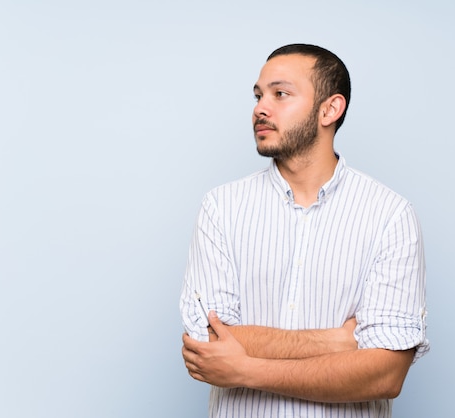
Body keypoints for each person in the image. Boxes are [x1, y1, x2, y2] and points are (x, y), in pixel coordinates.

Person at [180, 43, 429, 418]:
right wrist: (341, 341)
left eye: (281, 94)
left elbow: (386, 374)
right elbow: (209, 341)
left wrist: (246, 368)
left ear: (330, 109)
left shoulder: (389, 215)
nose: (261, 108)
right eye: (259, 95)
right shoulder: (222, 208)